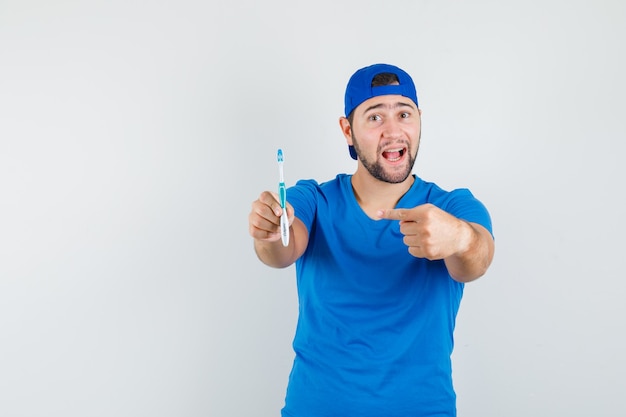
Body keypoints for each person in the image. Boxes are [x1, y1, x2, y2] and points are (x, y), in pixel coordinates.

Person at [248, 63, 495, 417]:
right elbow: (282, 250)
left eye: (404, 114)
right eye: (375, 118)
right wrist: (271, 231)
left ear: (420, 120)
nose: (393, 132)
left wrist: (458, 238)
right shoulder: (314, 200)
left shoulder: (452, 206)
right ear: (348, 131)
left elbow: (479, 258)